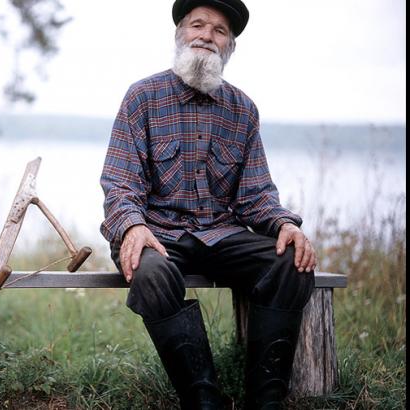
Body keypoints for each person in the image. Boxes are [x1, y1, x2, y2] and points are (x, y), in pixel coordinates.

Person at [99, 1, 317, 409]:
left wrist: (285, 224)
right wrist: (132, 226)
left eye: (219, 30)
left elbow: (256, 195)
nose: (206, 35)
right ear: (179, 34)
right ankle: (204, 400)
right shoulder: (143, 97)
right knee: (151, 273)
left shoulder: (243, 110)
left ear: (230, 45)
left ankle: (266, 400)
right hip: (157, 233)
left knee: (292, 262)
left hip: (222, 235)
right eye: (197, 25)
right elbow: (120, 182)